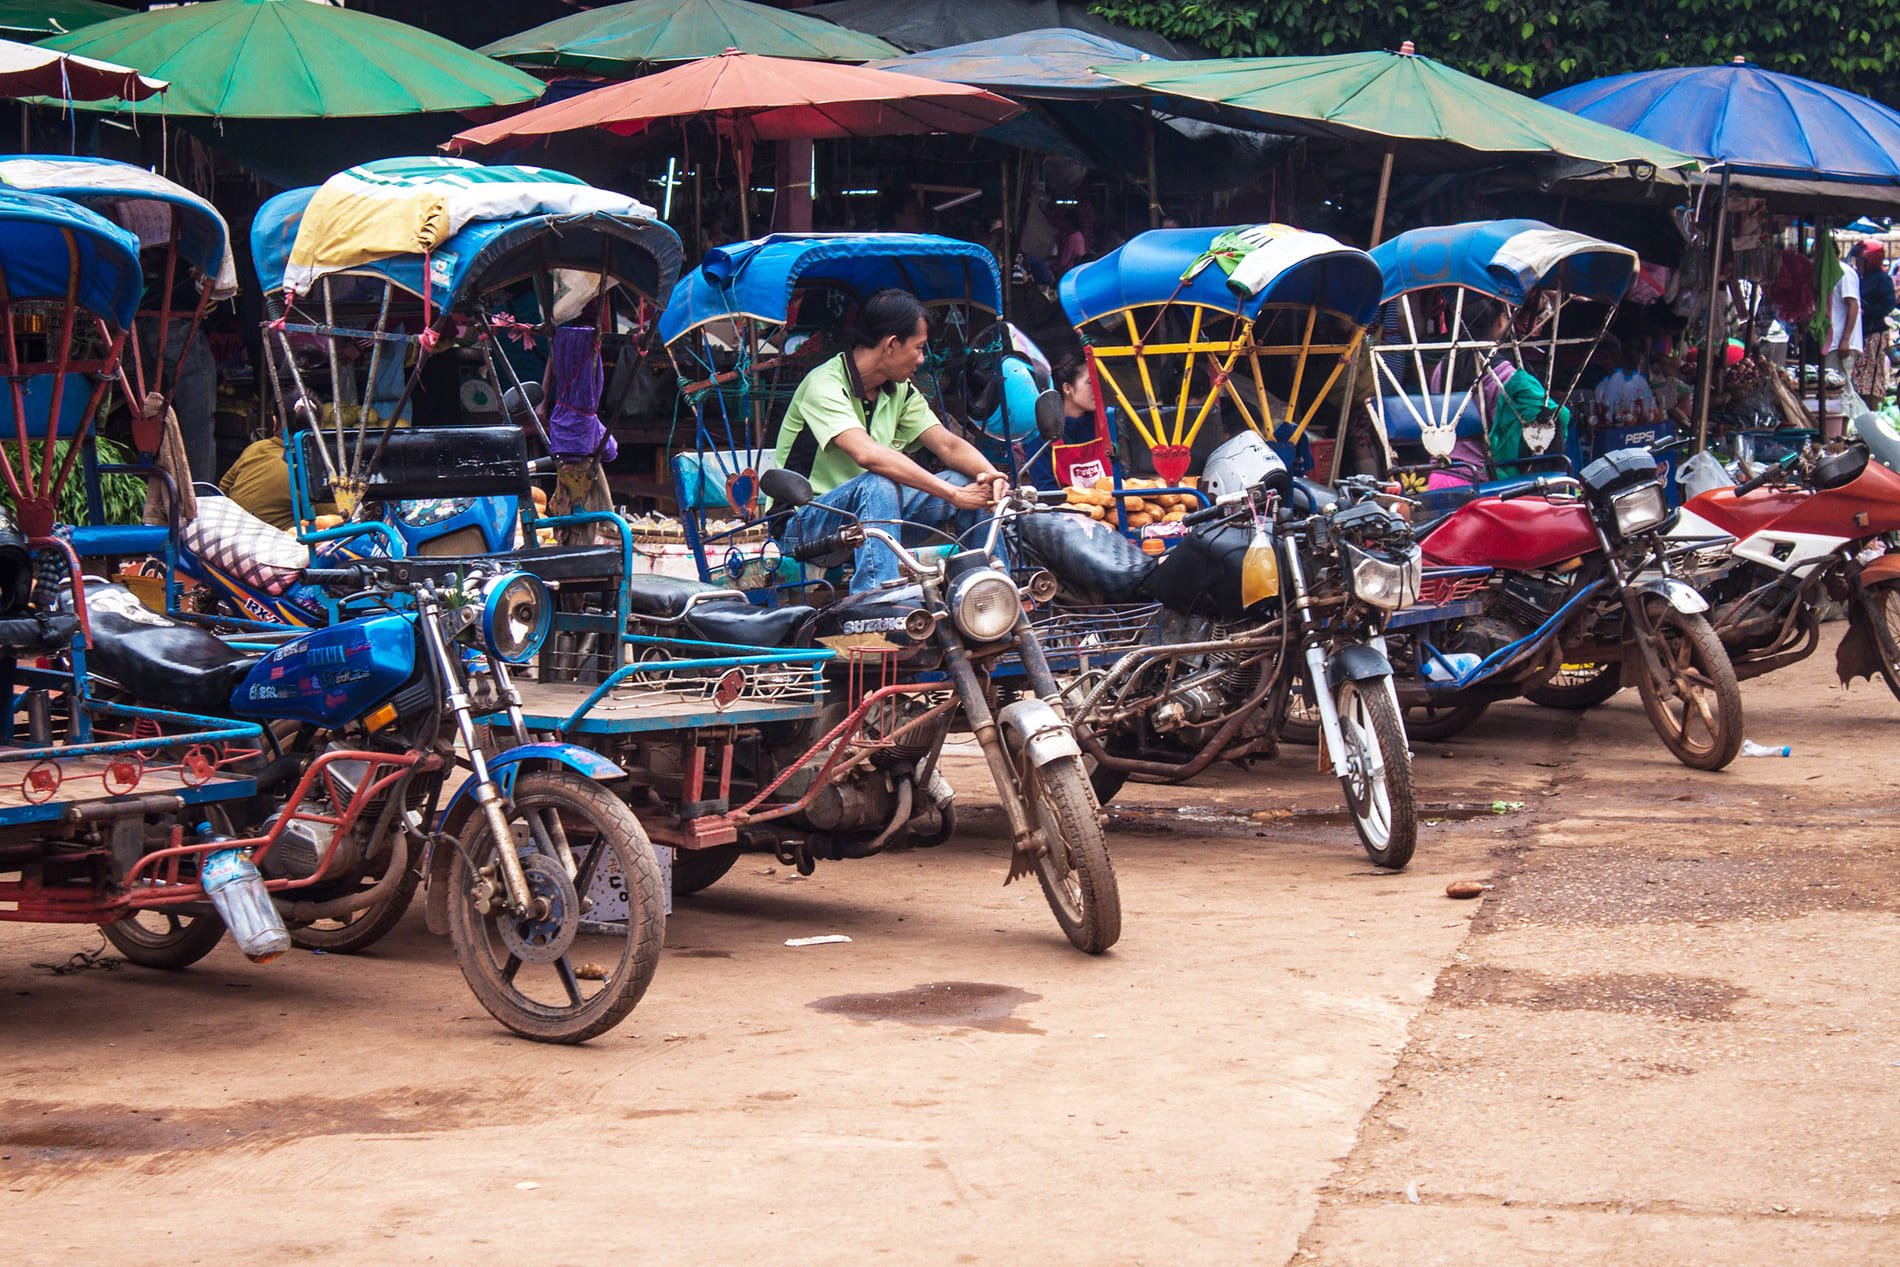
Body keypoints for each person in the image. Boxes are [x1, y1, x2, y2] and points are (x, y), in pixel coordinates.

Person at [774, 290, 1006, 592]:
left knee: (969, 480)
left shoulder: (899, 390)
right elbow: (868, 455)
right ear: (892, 345)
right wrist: (951, 494)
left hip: (873, 517)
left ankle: (992, 589)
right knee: (879, 483)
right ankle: (878, 601)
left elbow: (947, 445)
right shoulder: (825, 383)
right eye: (919, 348)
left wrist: (991, 477)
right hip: (804, 524)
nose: (923, 360)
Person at [1024, 352, 1106, 490]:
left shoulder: (1105, 423)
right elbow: (1045, 487)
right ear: (1067, 388)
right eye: (1090, 383)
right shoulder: (1042, 430)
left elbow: (1119, 473)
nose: (1098, 390)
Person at [1823, 239, 1864, 434]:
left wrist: (1845, 339)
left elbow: (1853, 305)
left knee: (1841, 390)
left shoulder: (1844, 272)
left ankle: (1843, 432)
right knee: (1834, 391)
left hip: (1841, 342)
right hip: (1833, 341)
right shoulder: (1828, 273)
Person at [1853, 242, 1895, 404]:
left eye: (1861, 259)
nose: (1858, 263)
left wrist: (1868, 312)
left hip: (1875, 333)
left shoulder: (1882, 279)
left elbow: (1888, 304)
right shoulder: (1862, 278)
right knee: (1860, 373)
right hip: (1862, 332)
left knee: (1872, 375)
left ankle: (1872, 408)